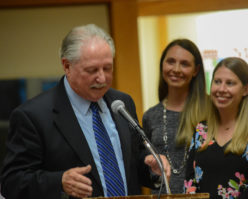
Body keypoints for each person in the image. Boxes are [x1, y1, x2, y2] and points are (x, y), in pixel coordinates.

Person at [0, 24, 170, 199]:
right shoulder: (33, 116)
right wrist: (59, 182)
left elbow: (134, 161)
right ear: (67, 66)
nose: (102, 78)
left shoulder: (122, 103)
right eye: (92, 70)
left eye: (107, 68)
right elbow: (11, 182)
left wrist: (152, 169)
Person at [184, 57, 248, 198]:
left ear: (246, 89)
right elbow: (189, 182)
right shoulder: (201, 130)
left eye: (230, 83)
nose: (221, 89)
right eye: (217, 82)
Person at [142, 39, 208, 194]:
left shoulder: (212, 110)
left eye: (185, 64)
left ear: (196, 70)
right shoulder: (150, 116)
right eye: (171, 62)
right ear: (162, 65)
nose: (176, 69)